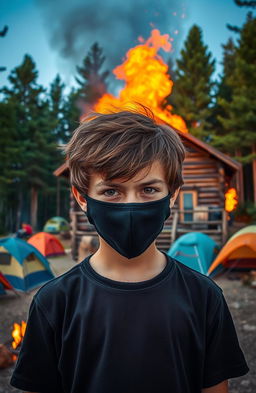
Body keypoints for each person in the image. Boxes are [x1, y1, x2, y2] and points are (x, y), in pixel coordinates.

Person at [10, 109, 249, 393]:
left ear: (172, 194)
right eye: (111, 191)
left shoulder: (204, 297)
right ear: (81, 197)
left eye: (148, 190)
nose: (130, 207)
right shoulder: (54, 303)